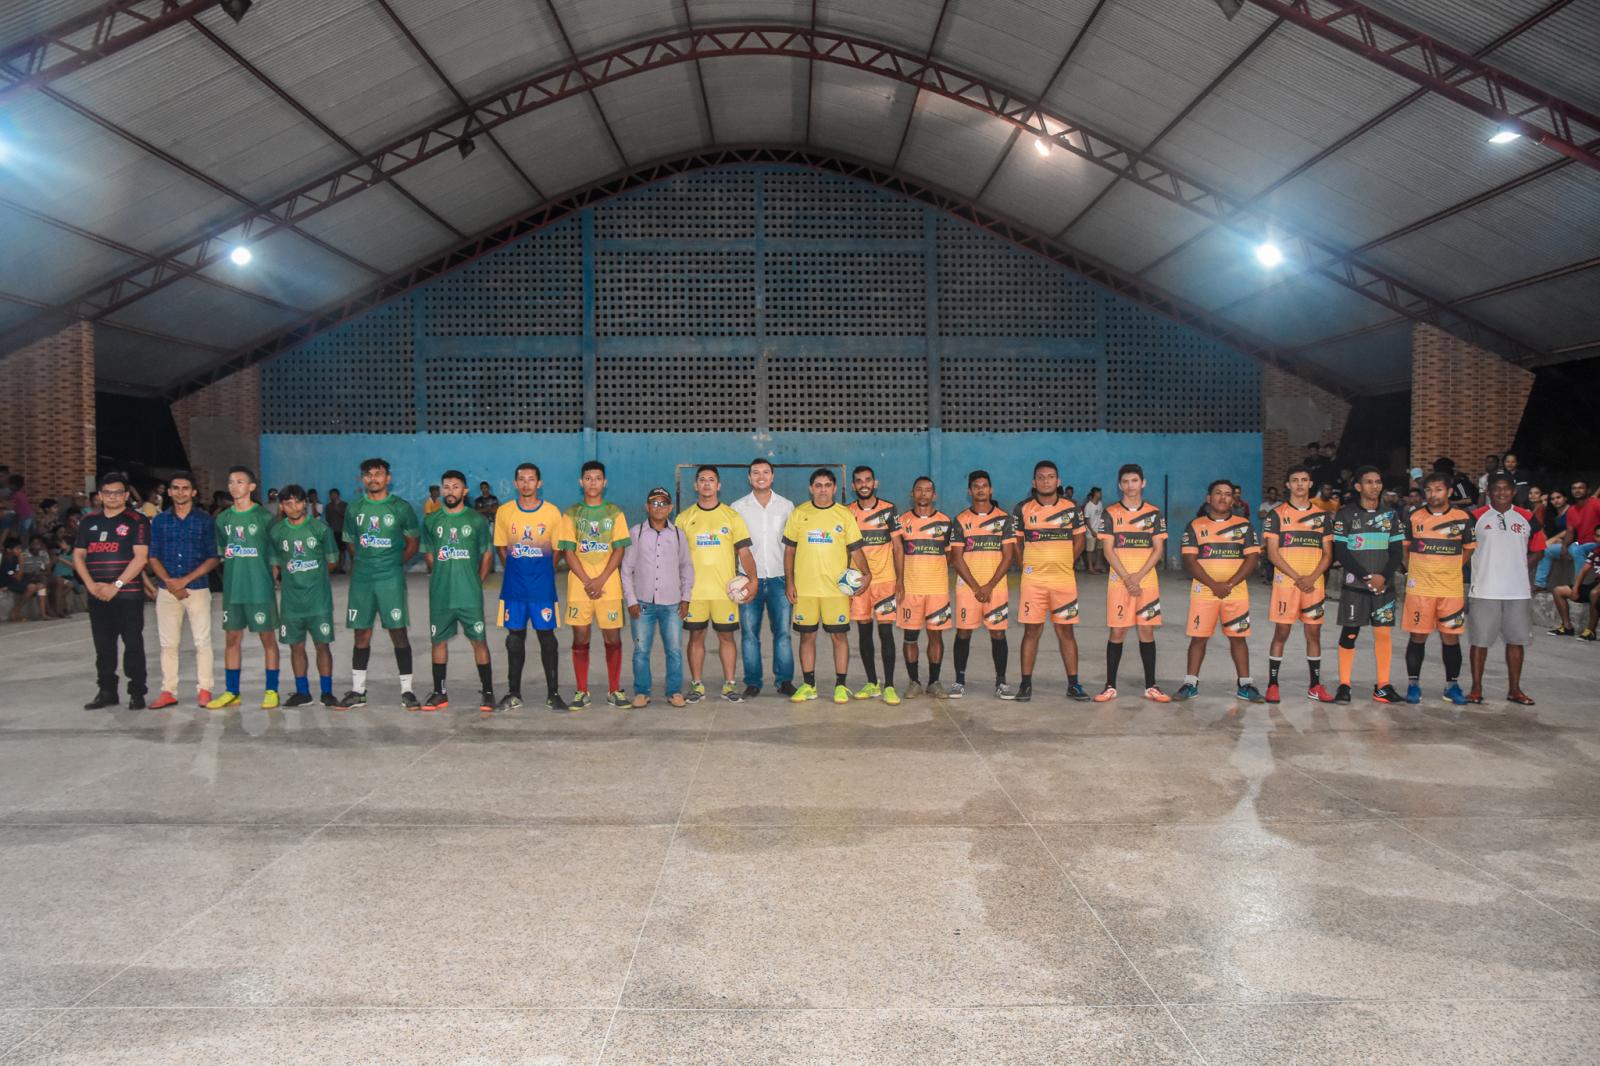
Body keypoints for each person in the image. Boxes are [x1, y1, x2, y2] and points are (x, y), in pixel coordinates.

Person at [336, 458, 422, 710]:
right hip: (362, 578)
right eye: (368, 474)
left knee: (398, 631)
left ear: (388, 478)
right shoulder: (354, 508)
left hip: (390, 578)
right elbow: (350, 542)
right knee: (361, 632)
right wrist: (364, 561)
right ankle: (357, 691)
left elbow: (412, 543)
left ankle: (407, 691)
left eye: (378, 474)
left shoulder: (400, 508)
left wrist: (394, 564)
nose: (373, 478)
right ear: (362, 479)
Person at [783, 467, 869, 703]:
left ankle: (840, 685)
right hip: (806, 590)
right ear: (811, 488)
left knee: (839, 638)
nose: (823, 490)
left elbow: (855, 549)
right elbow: (789, 551)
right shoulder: (799, 513)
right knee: (806, 637)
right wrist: (790, 582)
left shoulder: (844, 515)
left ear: (834, 488)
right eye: (818, 485)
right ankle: (809, 685)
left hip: (836, 590)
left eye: (827, 485)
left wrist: (867, 573)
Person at [1173, 480, 1263, 702]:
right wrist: (1214, 585)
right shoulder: (1195, 525)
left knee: (1238, 638)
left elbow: (1252, 559)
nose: (1223, 497)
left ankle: (1245, 685)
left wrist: (1229, 584)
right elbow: (1189, 561)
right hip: (1204, 592)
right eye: (1218, 493)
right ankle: (1190, 683)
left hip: (1236, 592)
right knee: (1198, 638)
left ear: (1234, 499)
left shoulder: (1244, 526)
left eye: (1228, 494)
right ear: (1208, 498)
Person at [677, 466, 757, 704]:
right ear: (695, 485)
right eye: (702, 480)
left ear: (718, 485)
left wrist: (752, 580)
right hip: (695, 592)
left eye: (711, 480)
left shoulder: (731, 516)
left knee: (726, 638)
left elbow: (744, 552)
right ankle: (697, 685)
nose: (707, 484)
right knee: (696, 636)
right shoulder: (684, 518)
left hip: (725, 592)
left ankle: (730, 685)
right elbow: (676, 556)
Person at [1011, 459, 1089, 702]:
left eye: (1051, 476)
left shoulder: (1073, 508)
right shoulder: (1022, 509)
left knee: (1066, 631)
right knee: (1031, 630)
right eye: (1041, 477)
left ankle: (1073, 684)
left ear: (1059, 481)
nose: (1046, 480)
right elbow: (1016, 542)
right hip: (1033, 583)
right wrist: (1026, 566)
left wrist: (1066, 563)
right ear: (1034, 482)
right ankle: (1025, 684)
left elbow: (1080, 541)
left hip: (1063, 582)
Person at [417, 471, 495, 713]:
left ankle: (488, 692)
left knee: (479, 641)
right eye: (446, 487)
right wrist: (440, 572)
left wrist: (476, 581)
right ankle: (440, 693)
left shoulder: (476, 520)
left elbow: (487, 554)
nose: (450, 491)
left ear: (465, 491)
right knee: (438, 642)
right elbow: (429, 554)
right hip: (440, 595)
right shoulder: (431, 521)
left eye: (455, 487)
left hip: (468, 595)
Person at [72, 472, 150, 709]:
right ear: (99, 495)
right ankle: (106, 691)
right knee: (103, 646)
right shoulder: (88, 522)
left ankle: (137, 691)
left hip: (127, 594)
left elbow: (141, 557)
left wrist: (116, 585)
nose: (112, 497)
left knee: (133, 644)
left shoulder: (136, 520)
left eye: (118, 493)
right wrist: (91, 585)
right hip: (97, 595)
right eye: (107, 493)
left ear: (126, 495)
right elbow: (78, 555)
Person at [1093, 463, 1170, 703]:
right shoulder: (1110, 513)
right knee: (1118, 631)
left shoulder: (1155, 513)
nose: (1130, 486)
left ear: (1143, 483)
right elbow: (1108, 550)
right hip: (1119, 581)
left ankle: (1151, 686)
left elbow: (1158, 549)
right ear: (1120, 485)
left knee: (1146, 630)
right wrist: (1127, 577)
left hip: (1146, 581)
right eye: (1125, 481)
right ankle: (1110, 686)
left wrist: (1138, 577)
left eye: (1134, 481)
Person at [206, 466, 280, 709]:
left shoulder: (264, 518)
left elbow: (275, 552)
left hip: (259, 588)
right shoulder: (223, 519)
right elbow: (221, 553)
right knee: (232, 639)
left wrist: (276, 575)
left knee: (268, 639)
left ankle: (271, 690)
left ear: (251, 487)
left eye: (239, 481)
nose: (233, 486)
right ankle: (232, 691)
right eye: (230, 482)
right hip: (233, 589)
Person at [1467, 473, 1545, 705]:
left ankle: (1515, 690)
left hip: (1517, 591)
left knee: (1516, 641)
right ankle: (1476, 689)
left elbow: (1539, 549)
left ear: (1514, 491)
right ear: (1489, 492)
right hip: (1484, 589)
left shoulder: (1527, 518)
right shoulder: (1475, 517)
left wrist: (1523, 566)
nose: (1502, 492)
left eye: (1506, 488)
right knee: (1479, 641)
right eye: (1496, 489)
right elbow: (1464, 548)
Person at [557, 460, 630, 708]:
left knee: (613, 639)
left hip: (608, 585)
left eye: (597, 478)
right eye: (588, 478)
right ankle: (581, 691)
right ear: (581, 482)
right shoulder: (571, 514)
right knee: (581, 638)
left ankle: (614, 690)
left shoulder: (615, 513)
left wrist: (600, 580)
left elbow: (619, 550)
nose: (593, 482)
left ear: (604, 482)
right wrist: (588, 580)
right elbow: (568, 552)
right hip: (580, 586)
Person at [493, 463, 565, 710]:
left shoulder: (553, 513)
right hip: (514, 588)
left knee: (548, 638)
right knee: (514, 639)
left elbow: (558, 549)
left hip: (542, 589)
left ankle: (553, 693)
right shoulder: (504, 512)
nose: (526, 483)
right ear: (515, 483)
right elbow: (501, 548)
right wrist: (514, 569)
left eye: (531, 479)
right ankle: (514, 693)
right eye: (521, 479)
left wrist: (544, 570)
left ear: (539, 483)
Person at [1331, 466, 1405, 704]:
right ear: (1358, 487)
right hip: (1355, 587)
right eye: (1369, 482)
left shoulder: (1391, 515)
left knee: (1383, 634)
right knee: (1350, 633)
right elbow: (1341, 552)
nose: (1375, 486)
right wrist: (1366, 576)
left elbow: (1396, 552)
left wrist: (1383, 576)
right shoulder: (1345, 514)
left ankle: (1382, 686)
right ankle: (1344, 685)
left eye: (1378, 481)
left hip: (1384, 587)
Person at [144, 471, 218, 708]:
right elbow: (153, 556)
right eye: (175, 488)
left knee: (202, 642)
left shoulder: (205, 520)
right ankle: (168, 690)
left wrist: (184, 580)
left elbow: (213, 557)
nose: (180, 492)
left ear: (194, 492)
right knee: (168, 644)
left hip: (196, 588)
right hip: (167, 591)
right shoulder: (160, 521)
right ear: (169, 491)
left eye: (185, 488)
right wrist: (169, 582)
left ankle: (205, 689)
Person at [1262, 464, 1335, 703]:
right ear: (1287, 484)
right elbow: (1273, 554)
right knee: (1281, 632)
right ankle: (1273, 684)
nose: (1300, 484)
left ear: (1310, 484)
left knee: (1313, 633)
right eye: (1295, 480)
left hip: (1314, 585)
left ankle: (1315, 685)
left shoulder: (1322, 517)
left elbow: (1328, 554)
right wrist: (1298, 578)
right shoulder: (1277, 515)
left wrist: (1312, 578)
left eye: (1304, 480)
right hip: (1286, 584)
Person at [1401, 472, 1475, 706]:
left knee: (1450, 638)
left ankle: (1451, 687)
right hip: (1420, 590)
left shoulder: (1462, 517)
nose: (1433, 494)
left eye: (1438, 489)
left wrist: (1451, 568)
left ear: (1449, 492)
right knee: (1418, 636)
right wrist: (1412, 570)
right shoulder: (1413, 516)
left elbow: (1469, 548)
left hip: (1450, 590)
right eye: (1429, 490)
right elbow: (1405, 548)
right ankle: (1413, 685)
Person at [622, 486, 694, 708]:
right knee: (641, 650)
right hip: (643, 604)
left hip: (672, 603)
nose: (659, 507)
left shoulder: (679, 534)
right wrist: (631, 600)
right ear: (647, 507)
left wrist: (686, 597)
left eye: (663, 503)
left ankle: (674, 692)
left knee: (673, 649)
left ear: (670, 508)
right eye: (654, 503)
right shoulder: (636, 533)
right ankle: (642, 692)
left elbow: (686, 567)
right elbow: (626, 570)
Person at [269, 484, 339, 707]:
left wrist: (313, 578)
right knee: (296, 647)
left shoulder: (320, 529)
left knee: (322, 646)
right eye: (288, 503)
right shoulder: (277, 532)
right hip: (291, 603)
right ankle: (303, 692)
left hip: (318, 601)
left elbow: (332, 561)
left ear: (305, 504)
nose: (294, 507)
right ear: (282, 506)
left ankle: (326, 692)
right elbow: (275, 565)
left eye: (298, 502)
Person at [732, 458, 796, 697]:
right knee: (749, 634)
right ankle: (753, 682)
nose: (761, 476)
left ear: (773, 476)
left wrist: (792, 580)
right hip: (749, 580)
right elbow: (734, 547)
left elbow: (792, 546)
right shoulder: (737, 507)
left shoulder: (787, 506)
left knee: (783, 634)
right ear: (749, 478)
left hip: (780, 579)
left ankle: (784, 681)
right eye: (756, 472)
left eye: (766, 472)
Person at [950, 470, 1016, 699]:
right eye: (976, 486)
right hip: (968, 588)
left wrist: (989, 586)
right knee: (964, 632)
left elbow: (1008, 556)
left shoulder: (1005, 519)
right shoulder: (960, 520)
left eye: (984, 485)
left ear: (991, 489)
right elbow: (956, 558)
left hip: (996, 588)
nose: (980, 489)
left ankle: (1001, 682)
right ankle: (959, 681)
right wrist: (977, 587)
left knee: (998, 633)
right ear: (969, 491)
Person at [893, 476, 954, 698]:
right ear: (912, 494)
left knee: (936, 637)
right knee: (910, 637)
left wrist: (932, 571)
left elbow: (949, 556)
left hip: (937, 591)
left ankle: (934, 682)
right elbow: (897, 553)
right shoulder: (901, 522)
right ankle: (914, 682)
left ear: (934, 495)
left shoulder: (946, 522)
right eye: (919, 489)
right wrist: (901, 580)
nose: (923, 494)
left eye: (928, 490)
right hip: (910, 590)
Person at [845, 465, 900, 702]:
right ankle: (871, 683)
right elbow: (845, 549)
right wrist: (846, 582)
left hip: (885, 581)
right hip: (859, 583)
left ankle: (889, 685)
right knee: (864, 632)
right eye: (859, 481)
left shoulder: (889, 510)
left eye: (867, 480)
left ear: (875, 483)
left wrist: (901, 580)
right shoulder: (847, 512)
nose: (863, 484)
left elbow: (898, 547)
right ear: (853, 485)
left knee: (886, 632)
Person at [1536, 479, 1599, 590]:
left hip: (1595, 544)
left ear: (1588, 490)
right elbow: (1570, 532)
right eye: (1574, 488)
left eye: (1581, 488)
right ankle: (1540, 584)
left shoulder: (1596, 503)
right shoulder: (1572, 510)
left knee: (1577, 550)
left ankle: (1578, 586)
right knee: (1547, 551)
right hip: (1579, 544)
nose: (1577, 490)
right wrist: (1564, 547)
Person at [1550, 558, 1598, 640]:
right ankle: (1567, 627)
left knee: (1594, 593)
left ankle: (1591, 631)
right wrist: (1575, 589)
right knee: (1558, 591)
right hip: (1595, 584)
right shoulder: (1596, 551)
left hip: (1597, 589)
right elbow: (1584, 570)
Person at [1081, 487, 1105, 574]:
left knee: (1099, 549)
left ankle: (1098, 565)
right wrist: (1092, 531)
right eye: (1099, 493)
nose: (1101, 495)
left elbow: (1101, 517)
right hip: (1091, 532)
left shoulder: (1100, 504)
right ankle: (1090, 568)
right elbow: (1086, 520)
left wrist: (1101, 529)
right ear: (1095, 494)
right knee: (1090, 550)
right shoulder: (1088, 506)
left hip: (1099, 531)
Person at [323, 488, 348, 574]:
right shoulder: (328, 506)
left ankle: (341, 568)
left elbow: (347, 516)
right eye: (331, 495)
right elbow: (327, 518)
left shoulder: (344, 505)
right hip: (332, 531)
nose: (332, 497)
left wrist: (337, 509)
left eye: (334, 495)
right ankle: (334, 568)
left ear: (338, 495)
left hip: (342, 531)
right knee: (334, 551)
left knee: (342, 550)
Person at [6, 474, 34, 541]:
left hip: (25, 516)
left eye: (9, 484)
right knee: (24, 532)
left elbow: (10, 506)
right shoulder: (19, 494)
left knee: (23, 532)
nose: (8, 486)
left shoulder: (14, 496)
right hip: (28, 515)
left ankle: (24, 547)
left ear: (13, 485)